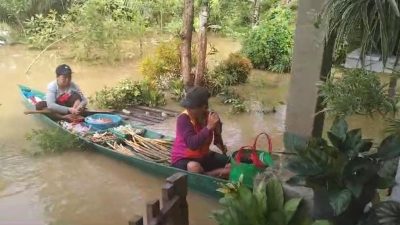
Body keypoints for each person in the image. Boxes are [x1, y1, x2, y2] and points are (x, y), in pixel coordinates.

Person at [171, 87, 230, 178]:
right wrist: (209, 127)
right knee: (194, 167)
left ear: (203, 107)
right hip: (183, 159)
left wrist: (220, 140)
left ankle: (215, 173)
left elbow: (217, 141)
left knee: (232, 164)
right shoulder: (183, 119)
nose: (188, 110)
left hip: (203, 156)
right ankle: (211, 174)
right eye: (187, 107)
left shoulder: (211, 117)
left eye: (191, 108)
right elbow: (192, 144)